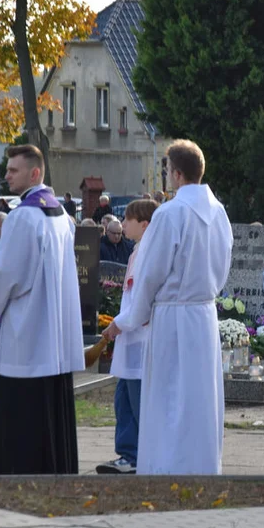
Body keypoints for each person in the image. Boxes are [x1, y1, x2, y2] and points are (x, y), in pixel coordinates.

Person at [128, 140, 233, 474]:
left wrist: (134, 316)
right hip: (203, 313)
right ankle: (202, 465)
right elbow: (224, 264)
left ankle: (166, 466)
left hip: (173, 315)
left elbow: (150, 273)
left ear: (175, 173)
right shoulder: (219, 212)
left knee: (170, 395)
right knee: (199, 397)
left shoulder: (170, 213)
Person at [0, 145, 84, 474]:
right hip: (54, 330)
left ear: (35, 173)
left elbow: (10, 275)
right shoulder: (60, 216)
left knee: (23, 415)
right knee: (51, 411)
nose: (7, 175)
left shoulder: (23, 217)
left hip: (27, 333)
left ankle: (19, 472)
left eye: (13, 170)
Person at [98, 198, 159, 475]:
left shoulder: (147, 252)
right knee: (123, 398)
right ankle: (128, 453)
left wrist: (117, 325)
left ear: (144, 224)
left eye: (128, 220)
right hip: (129, 335)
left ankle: (139, 454)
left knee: (136, 401)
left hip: (138, 336)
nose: (122, 225)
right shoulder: (138, 250)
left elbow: (141, 302)